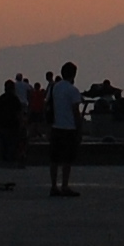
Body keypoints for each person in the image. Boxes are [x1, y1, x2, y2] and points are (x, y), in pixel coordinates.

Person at [47, 62, 83, 198]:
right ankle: (65, 185)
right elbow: (76, 111)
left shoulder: (55, 88)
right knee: (67, 159)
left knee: (54, 159)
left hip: (56, 126)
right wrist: (79, 128)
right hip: (69, 128)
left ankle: (53, 186)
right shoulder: (73, 90)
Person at [0, 78, 26, 180]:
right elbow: (19, 113)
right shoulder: (15, 100)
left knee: (4, 144)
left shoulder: (1, 98)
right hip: (12, 125)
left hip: (1, 125)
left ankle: (5, 163)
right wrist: (22, 124)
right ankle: (10, 164)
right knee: (12, 144)